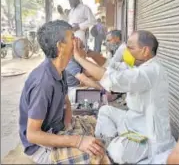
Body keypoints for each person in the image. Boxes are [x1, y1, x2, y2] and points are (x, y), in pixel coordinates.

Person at [73, 30, 176, 164]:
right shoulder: (139, 66)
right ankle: (110, 143)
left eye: (130, 48)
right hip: (133, 122)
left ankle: (113, 145)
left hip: (149, 136)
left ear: (145, 51)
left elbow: (114, 80)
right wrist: (87, 54)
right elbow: (110, 66)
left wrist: (80, 59)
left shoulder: (151, 71)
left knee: (118, 151)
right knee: (105, 111)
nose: (126, 51)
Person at [19, 20, 105, 164]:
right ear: (60, 46)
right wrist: (76, 140)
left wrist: (68, 127)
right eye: (72, 37)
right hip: (41, 148)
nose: (77, 41)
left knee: (99, 127)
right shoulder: (43, 82)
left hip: (58, 130)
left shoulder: (59, 69)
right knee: (99, 153)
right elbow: (32, 135)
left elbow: (65, 101)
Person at [66, 39, 102, 104]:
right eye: (83, 47)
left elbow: (88, 72)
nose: (85, 50)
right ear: (76, 49)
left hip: (77, 87)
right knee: (98, 93)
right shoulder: (70, 62)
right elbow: (85, 79)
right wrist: (102, 89)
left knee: (99, 84)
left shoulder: (76, 59)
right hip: (70, 92)